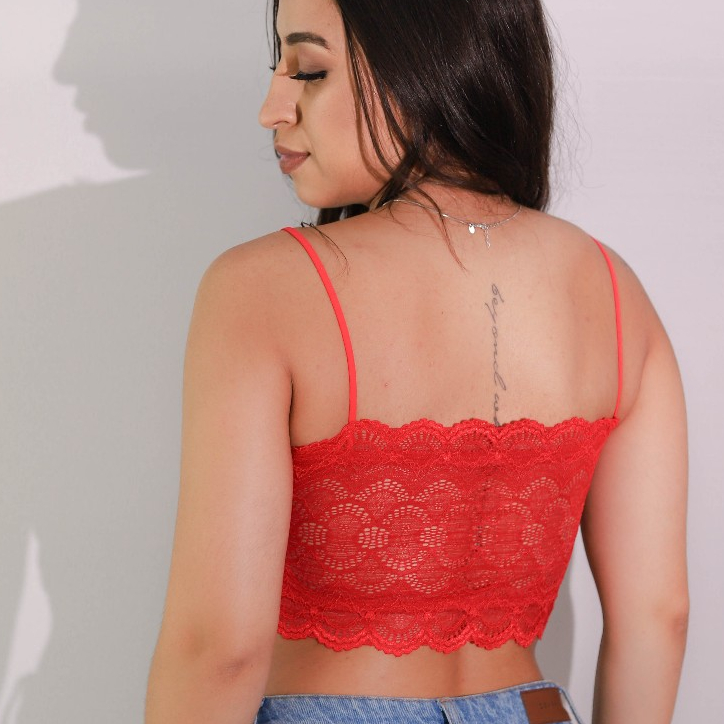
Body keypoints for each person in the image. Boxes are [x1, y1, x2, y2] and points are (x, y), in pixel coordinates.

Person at [144, 0, 689, 722]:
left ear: (423, 62)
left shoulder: (263, 288)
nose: (272, 109)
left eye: (308, 70)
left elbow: (218, 649)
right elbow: (658, 617)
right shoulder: (616, 293)